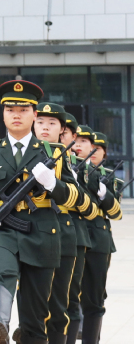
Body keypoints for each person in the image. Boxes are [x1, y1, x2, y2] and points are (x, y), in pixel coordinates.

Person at [0, 80, 80, 344]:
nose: (16, 115)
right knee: (2, 271)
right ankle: (0, 323)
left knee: (35, 318)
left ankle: (24, 332)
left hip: (42, 232)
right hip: (2, 227)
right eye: (10, 110)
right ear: (3, 114)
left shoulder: (53, 152)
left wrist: (53, 184)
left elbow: (75, 197)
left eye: (23, 110)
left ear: (34, 114)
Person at [34, 103, 92, 344]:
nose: (45, 128)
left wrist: (57, 186)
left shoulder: (69, 161)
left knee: (62, 304)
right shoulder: (22, 153)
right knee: (33, 306)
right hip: (31, 234)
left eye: (52, 124)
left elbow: (84, 203)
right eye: (40, 122)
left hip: (64, 234)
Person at [77, 130, 122, 344]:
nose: (93, 151)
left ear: (104, 153)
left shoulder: (109, 176)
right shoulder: (72, 169)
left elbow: (115, 212)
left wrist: (104, 193)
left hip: (98, 238)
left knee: (95, 295)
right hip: (74, 236)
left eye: (98, 148)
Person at [64, 123, 100, 344]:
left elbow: (96, 209)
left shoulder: (87, 170)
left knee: (78, 298)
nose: (78, 145)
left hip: (80, 237)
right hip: (42, 235)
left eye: (83, 141)